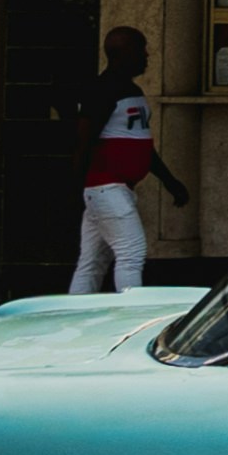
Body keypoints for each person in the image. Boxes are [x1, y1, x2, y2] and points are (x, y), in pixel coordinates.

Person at [71, 24, 189, 295]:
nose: (147, 55)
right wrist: (76, 188)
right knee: (131, 254)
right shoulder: (103, 90)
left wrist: (170, 181)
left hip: (108, 189)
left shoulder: (129, 90)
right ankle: (128, 317)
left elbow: (141, 145)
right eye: (141, 49)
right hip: (108, 188)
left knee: (91, 263)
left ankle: (70, 316)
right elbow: (83, 141)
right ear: (123, 53)